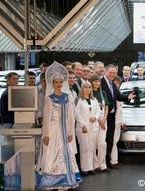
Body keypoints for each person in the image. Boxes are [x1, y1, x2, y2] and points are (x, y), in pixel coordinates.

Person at [36, 62, 81, 190]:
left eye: (60, 82)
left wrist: (70, 132)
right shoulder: (49, 98)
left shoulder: (68, 97)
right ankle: (52, 182)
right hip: (53, 130)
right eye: (56, 82)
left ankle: (66, 180)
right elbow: (46, 118)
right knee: (52, 154)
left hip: (65, 129)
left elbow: (70, 116)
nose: (58, 84)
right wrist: (46, 134)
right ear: (52, 83)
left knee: (66, 153)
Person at [101, 64, 135, 169]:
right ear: (105, 71)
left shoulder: (112, 84)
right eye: (110, 72)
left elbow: (118, 96)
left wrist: (127, 97)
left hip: (112, 116)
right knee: (102, 141)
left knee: (110, 139)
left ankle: (108, 162)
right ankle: (102, 164)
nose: (112, 75)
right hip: (103, 116)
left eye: (114, 73)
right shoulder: (100, 83)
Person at [75, 82, 107, 175]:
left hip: (93, 126)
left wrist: (96, 118)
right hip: (83, 127)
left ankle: (90, 168)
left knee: (92, 147)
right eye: (85, 88)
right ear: (82, 89)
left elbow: (98, 111)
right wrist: (83, 125)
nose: (88, 89)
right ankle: (84, 168)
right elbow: (76, 113)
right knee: (85, 147)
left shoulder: (94, 99)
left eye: (89, 88)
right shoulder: (79, 100)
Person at [111, 76, 124, 166]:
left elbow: (122, 109)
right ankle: (112, 161)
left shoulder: (119, 93)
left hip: (119, 120)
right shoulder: (112, 94)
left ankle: (114, 160)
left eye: (118, 84)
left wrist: (122, 121)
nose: (117, 85)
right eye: (115, 83)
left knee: (115, 141)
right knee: (112, 141)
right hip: (113, 119)